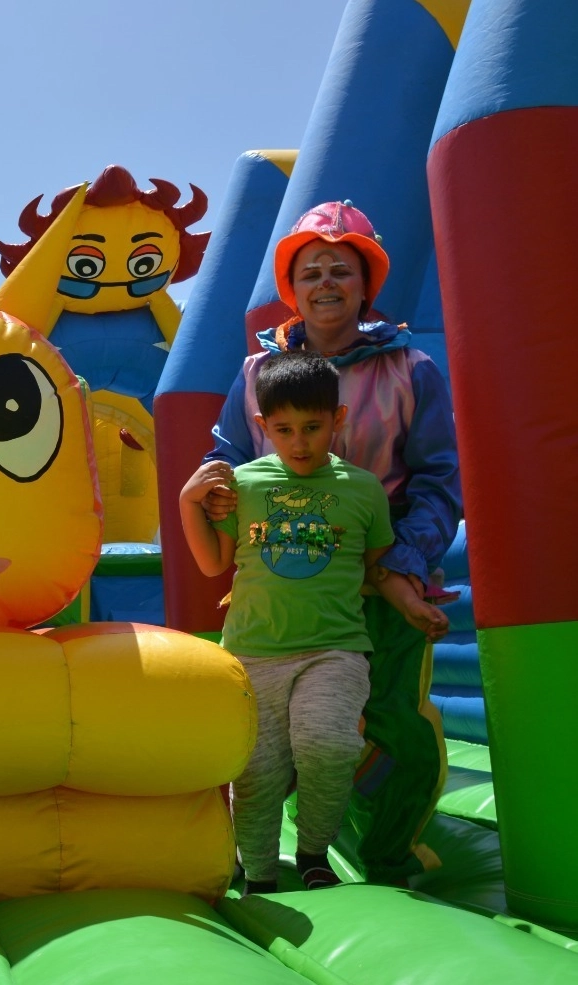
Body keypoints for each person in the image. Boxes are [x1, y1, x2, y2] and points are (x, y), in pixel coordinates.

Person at [203, 202, 462, 885]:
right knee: (263, 734)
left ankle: (385, 855)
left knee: (396, 719)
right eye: (310, 270)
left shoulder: (410, 366)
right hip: (286, 576)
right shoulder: (261, 369)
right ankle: (256, 850)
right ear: (293, 286)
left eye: (340, 270)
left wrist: (400, 566)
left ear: (364, 283)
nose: (325, 283)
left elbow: (439, 475)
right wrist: (218, 499)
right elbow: (228, 454)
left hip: (381, 571)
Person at [182, 351, 448, 894]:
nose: (299, 443)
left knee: (327, 745)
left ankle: (313, 852)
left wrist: (410, 603)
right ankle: (257, 871)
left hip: (336, 648)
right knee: (255, 772)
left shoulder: (361, 488)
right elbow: (214, 562)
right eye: (284, 430)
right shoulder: (245, 484)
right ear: (262, 427)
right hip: (254, 651)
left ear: (338, 419)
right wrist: (188, 501)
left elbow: (376, 569)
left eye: (312, 427)